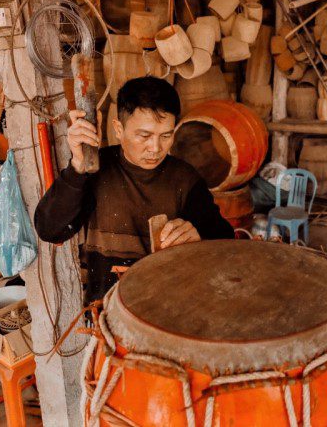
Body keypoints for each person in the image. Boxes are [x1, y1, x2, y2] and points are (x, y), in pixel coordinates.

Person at [34, 76, 234, 303]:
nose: (156, 148)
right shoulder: (95, 170)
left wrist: (199, 236)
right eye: (144, 136)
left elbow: (225, 239)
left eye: (166, 135)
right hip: (107, 307)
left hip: (170, 308)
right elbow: (49, 230)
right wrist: (77, 167)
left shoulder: (185, 179)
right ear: (118, 129)